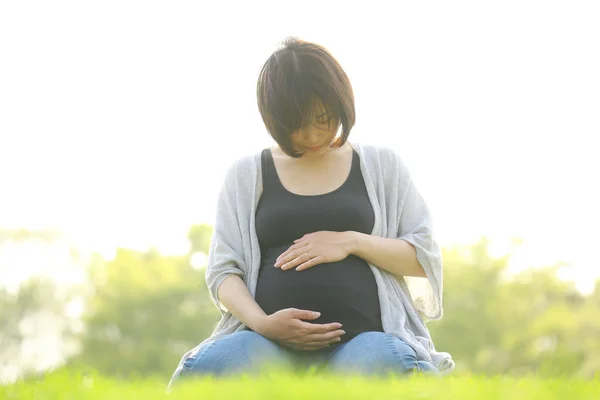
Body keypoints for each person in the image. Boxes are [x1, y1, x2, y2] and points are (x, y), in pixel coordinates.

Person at [168, 37, 454, 387]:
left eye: (323, 118)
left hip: (363, 341)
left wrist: (350, 241)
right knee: (211, 368)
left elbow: (420, 258)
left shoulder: (383, 166)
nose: (314, 134)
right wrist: (263, 323)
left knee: (386, 362)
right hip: (265, 342)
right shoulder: (246, 175)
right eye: (298, 123)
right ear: (274, 118)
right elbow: (223, 272)